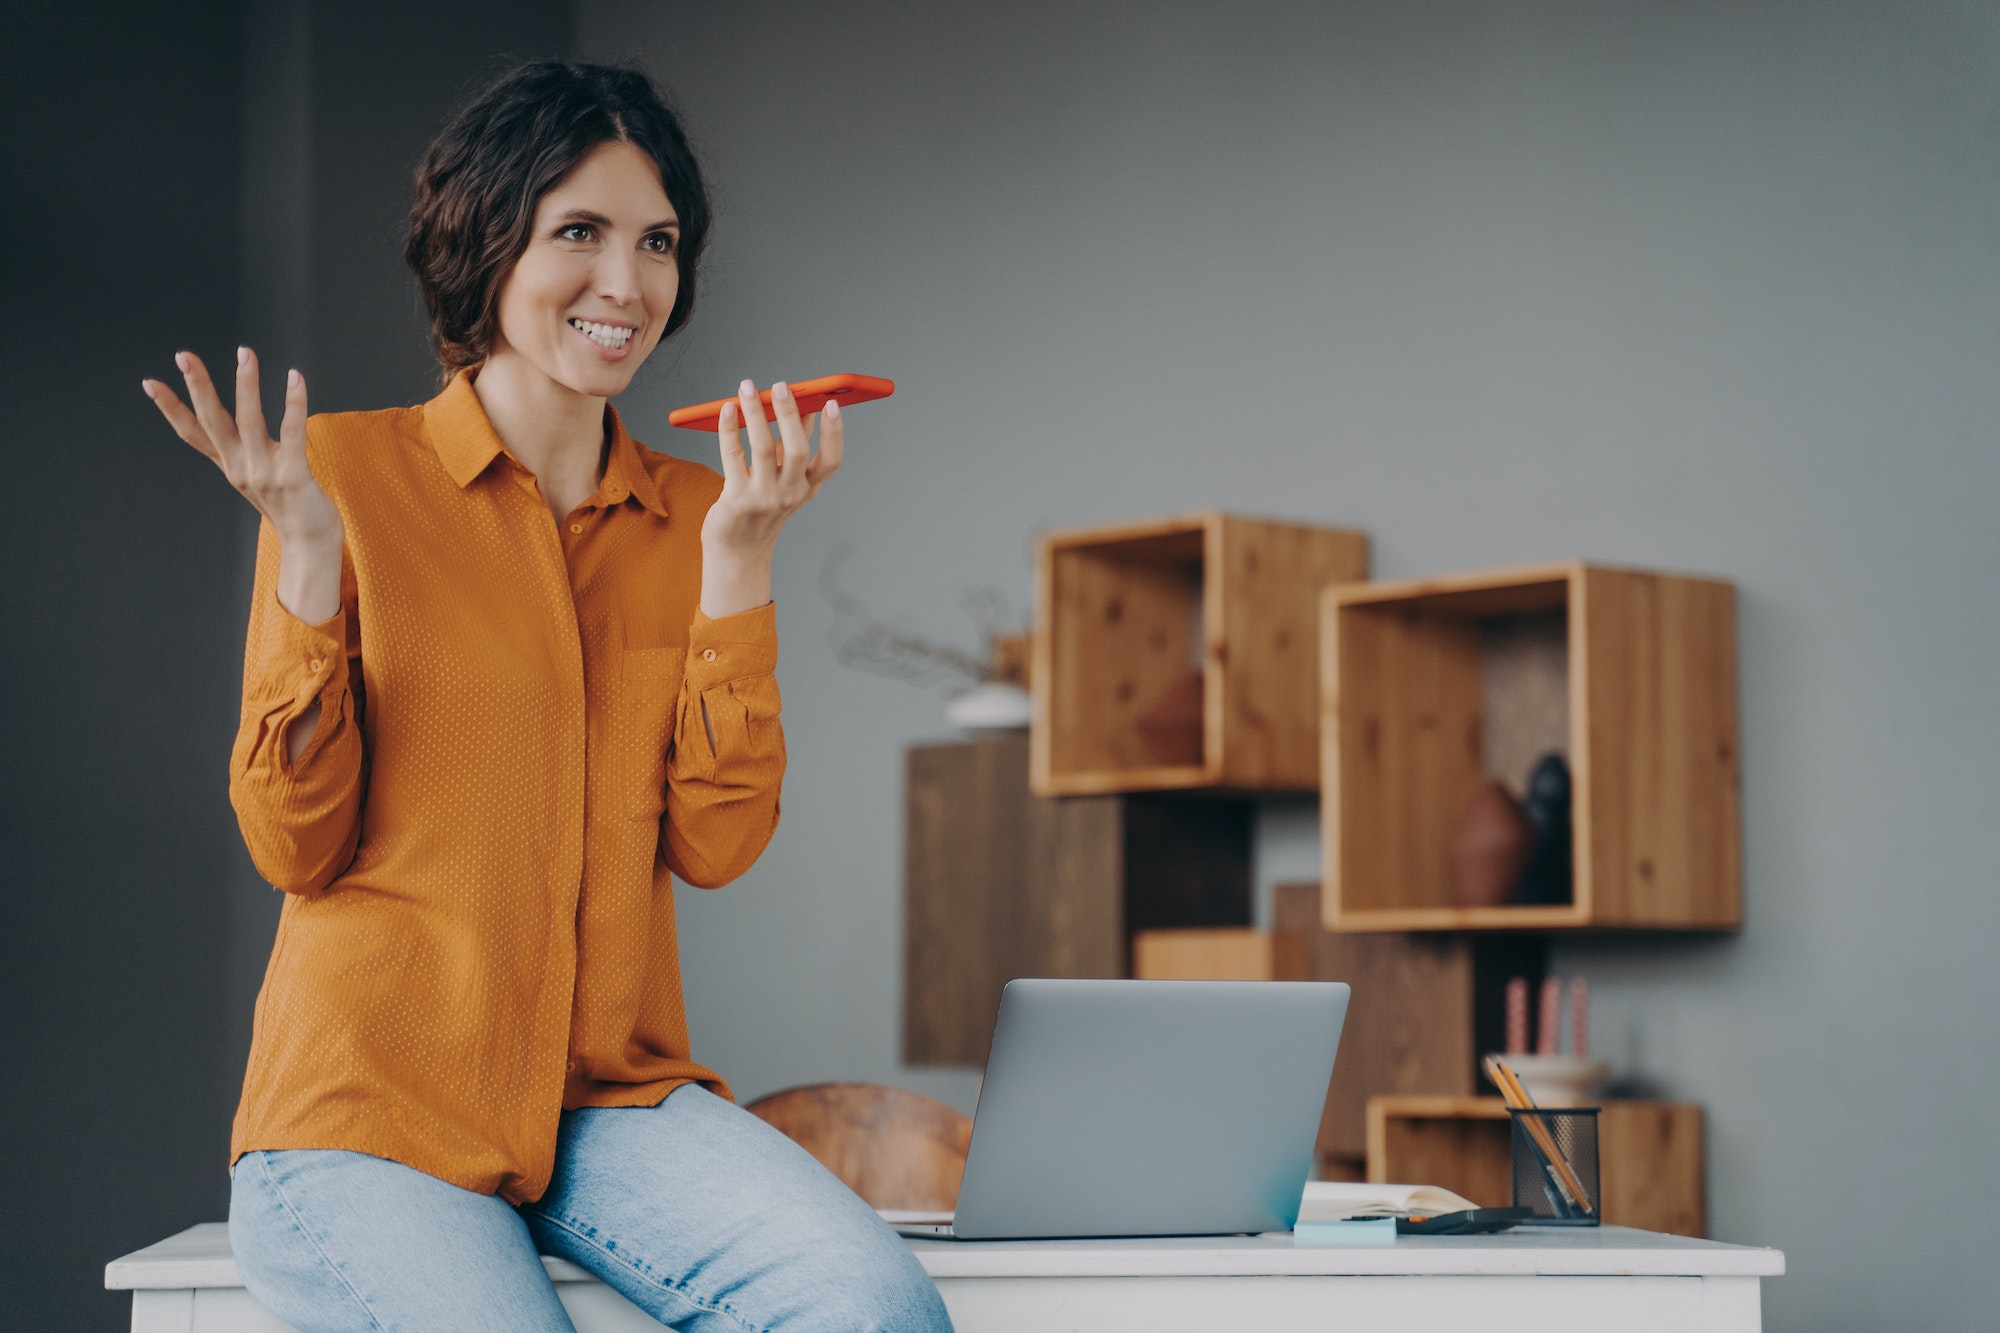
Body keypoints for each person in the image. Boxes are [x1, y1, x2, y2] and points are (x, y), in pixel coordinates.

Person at [141, 61, 952, 1332]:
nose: (624, 285)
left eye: (657, 243)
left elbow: (717, 842)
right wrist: (306, 557)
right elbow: (292, 844)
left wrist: (739, 560)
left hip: (609, 1104)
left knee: (873, 1306)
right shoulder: (338, 476)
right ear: (486, 244)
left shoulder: (702, 511)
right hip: (370, 1110)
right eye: (578, 232)